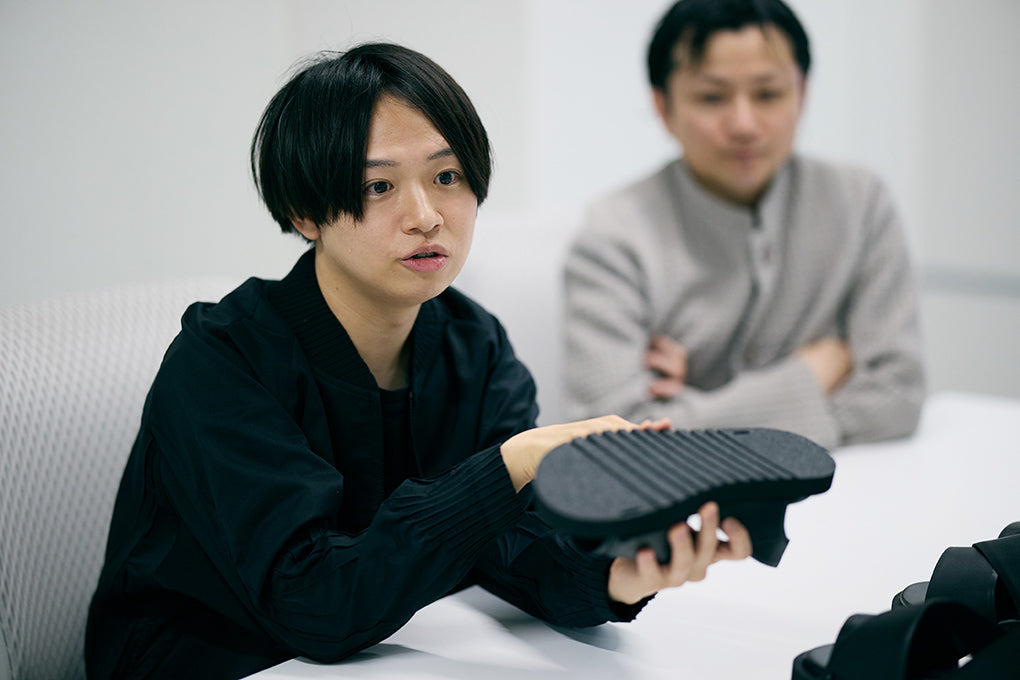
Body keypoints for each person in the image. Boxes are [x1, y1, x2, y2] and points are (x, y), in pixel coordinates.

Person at [85, 43, 752, 679]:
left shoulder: (472, 342)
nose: (426, 215)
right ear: (306, 212)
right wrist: (510, 464)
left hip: (390, 653)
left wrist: (611, 577)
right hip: (209, 661)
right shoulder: (223, 359)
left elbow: (512, 548)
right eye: (378, 186)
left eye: (447, 176)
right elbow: (312, 601)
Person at [562, 0, 926, 449]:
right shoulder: (613, 238)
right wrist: (812, 376)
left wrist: (694, 406)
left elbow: (898, 395)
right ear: (663, 107)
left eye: (768, 94)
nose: (744, 125)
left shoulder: (860, 202)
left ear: (802, 94)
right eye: (712, 97)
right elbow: (615, 439)